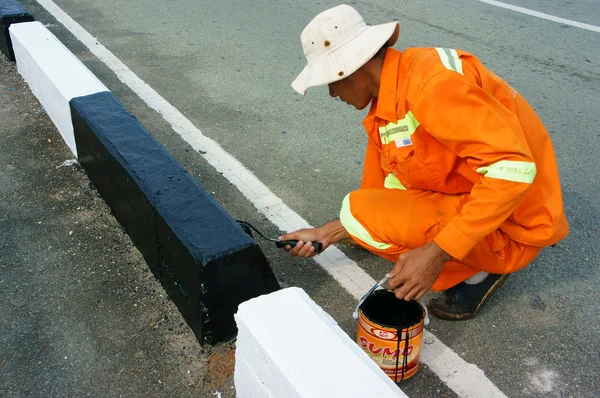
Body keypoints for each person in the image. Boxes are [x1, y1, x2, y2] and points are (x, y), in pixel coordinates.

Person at [280, 4, 569, 320]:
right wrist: (326, 234)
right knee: (364, 212)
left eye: (330, 83)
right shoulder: (394, 97)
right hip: (490, 198)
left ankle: (481, 267)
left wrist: (435, 254)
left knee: (360, 213)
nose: (334, 94)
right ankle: (470, 248)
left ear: (351, 68)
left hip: (517, 222)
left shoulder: (430, 87)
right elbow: (391, 189)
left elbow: (513, 170)